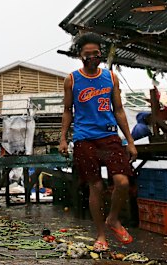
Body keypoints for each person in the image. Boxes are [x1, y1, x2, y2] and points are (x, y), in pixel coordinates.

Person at [59, 32, 138, 252]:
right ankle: (101, 235)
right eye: (88, 54)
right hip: (85, 139)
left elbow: (119, 110)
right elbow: (67, 111)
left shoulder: (110, 77)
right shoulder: (72, 79)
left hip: (110, 136)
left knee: (122, 182)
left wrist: (130, 141)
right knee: (96, 186)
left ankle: (113, 219)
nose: (93, 58)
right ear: (80, 56)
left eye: (96, 54)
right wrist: (63, 138)